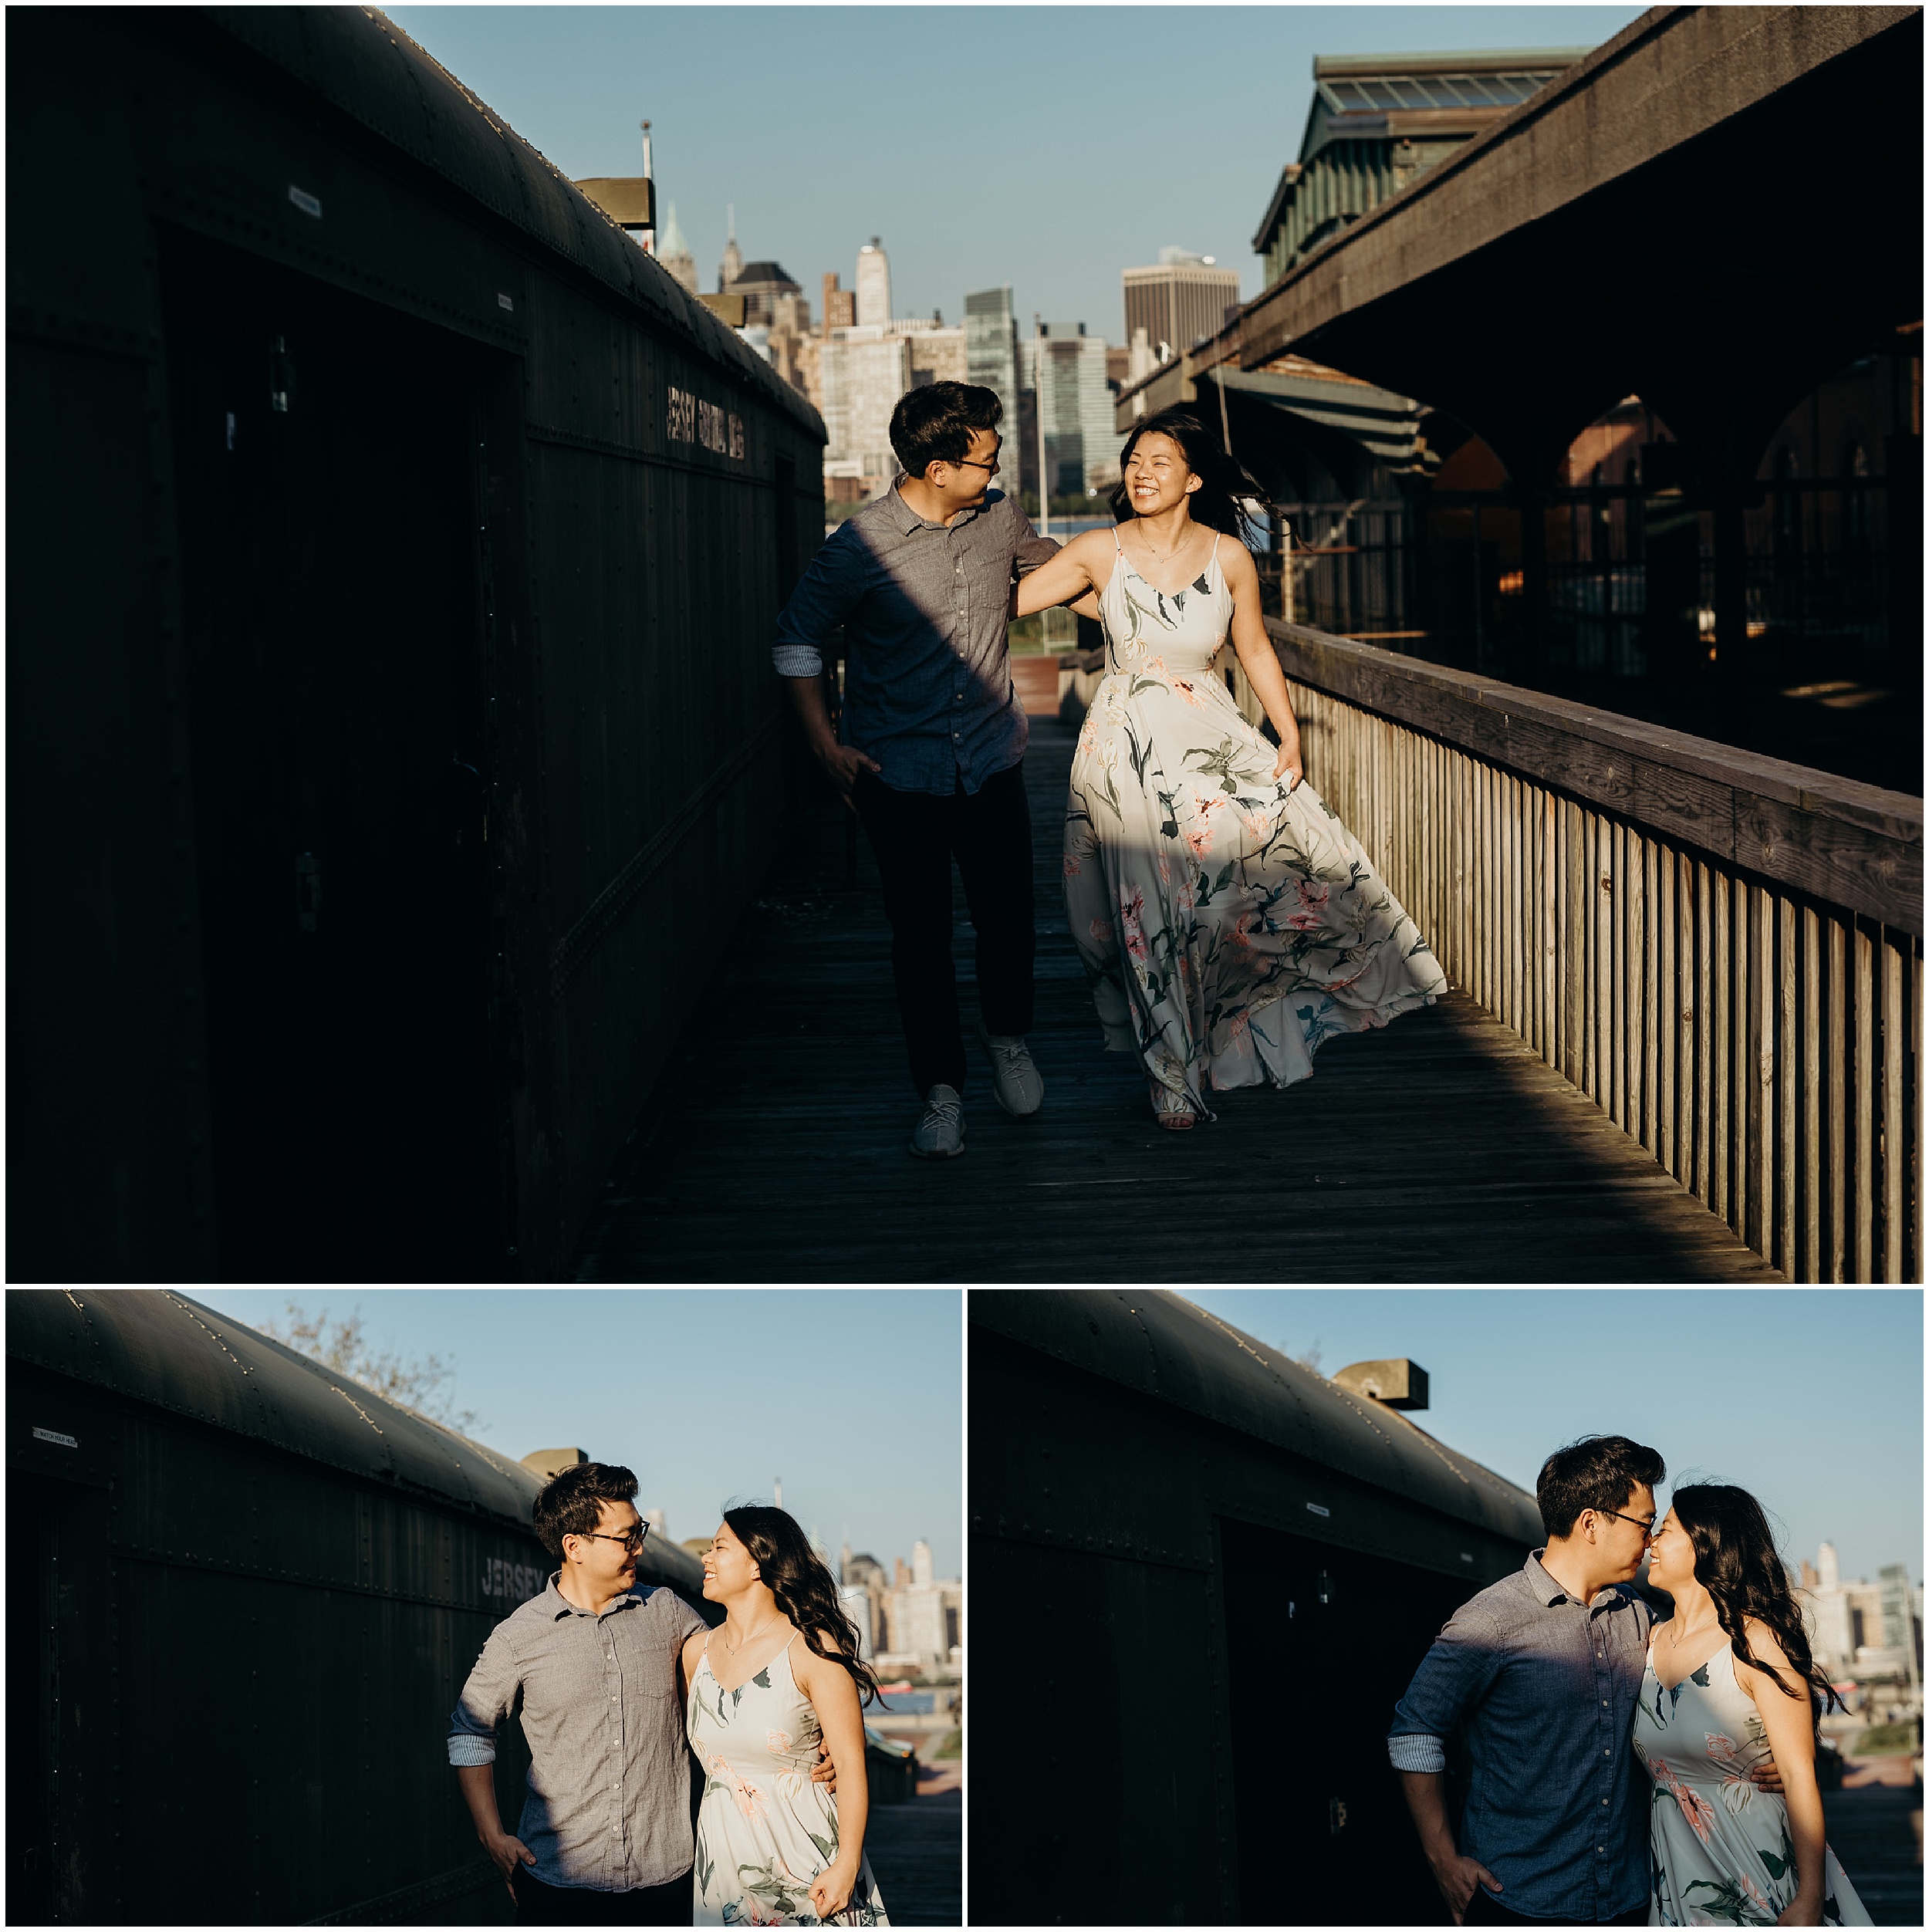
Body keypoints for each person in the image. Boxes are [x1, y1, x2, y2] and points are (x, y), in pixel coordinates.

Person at [1011, 407, 1443, 1128]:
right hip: (1123, 750)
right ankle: (1171, 1075)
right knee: (1144, 910)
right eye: (1133, 461)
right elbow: (1006, 606)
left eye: (1159, 462)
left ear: (1193, 479)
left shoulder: (1229, 556)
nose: (1141, 474)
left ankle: (1213, 1036)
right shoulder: (1097, 551)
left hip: (1212, 738)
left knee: (1236, 892)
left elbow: (1255, 648)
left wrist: (1287, 732)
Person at [773, 381, 1091, 1159]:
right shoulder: (858, 545)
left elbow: (1073, 573)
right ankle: (941, 1091)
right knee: (920, 937)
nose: (995, 470)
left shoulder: (999, 520)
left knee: (1008, 921)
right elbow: (796, 640)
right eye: (985, 459)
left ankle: (1006, 1039)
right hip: (896, 770)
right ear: (939, 467)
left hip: (990, 761)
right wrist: (823, 743)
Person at [1387, 1436, 1784, 1927]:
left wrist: (1780, 1754)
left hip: (1630, 1899)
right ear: (1591, 1523)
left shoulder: (1639, 1618)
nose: (1651, 1540)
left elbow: (1722, 1684)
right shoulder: (1489, 1621)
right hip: (1520, 1900)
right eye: (1644, 1523)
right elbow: (1414, 1733)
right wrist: (1442, 1860)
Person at [448, 1462, 831, 1925]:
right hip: (556, 1886)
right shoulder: (517, 1638)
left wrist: (816, 1738)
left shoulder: (667, 1611)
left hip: (667, 1883)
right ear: (575, 1547)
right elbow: (470, 1732)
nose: (639, 1547)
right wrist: (491, 1836)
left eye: (640, 1532)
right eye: (625, 1538)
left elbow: (743, 1673)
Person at [1636, 1486, 1869, 1926]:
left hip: (1759, 1871)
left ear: (1706, 1542)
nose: (1650, 1542)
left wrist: (1809, 1898)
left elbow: (1800, 1776)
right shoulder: (1649, 1641)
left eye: (1664, 1530)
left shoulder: (1756, 1642)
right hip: (1678, 1882)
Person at [681, 1505, 888, 1925]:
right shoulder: (694, 1654)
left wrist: (846, 1865)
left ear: (758, 1563)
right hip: (722, 1864)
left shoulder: (813, 1650)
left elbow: (849, 1763)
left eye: (720, 1548)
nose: (706, 1558)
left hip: (806, 1858)